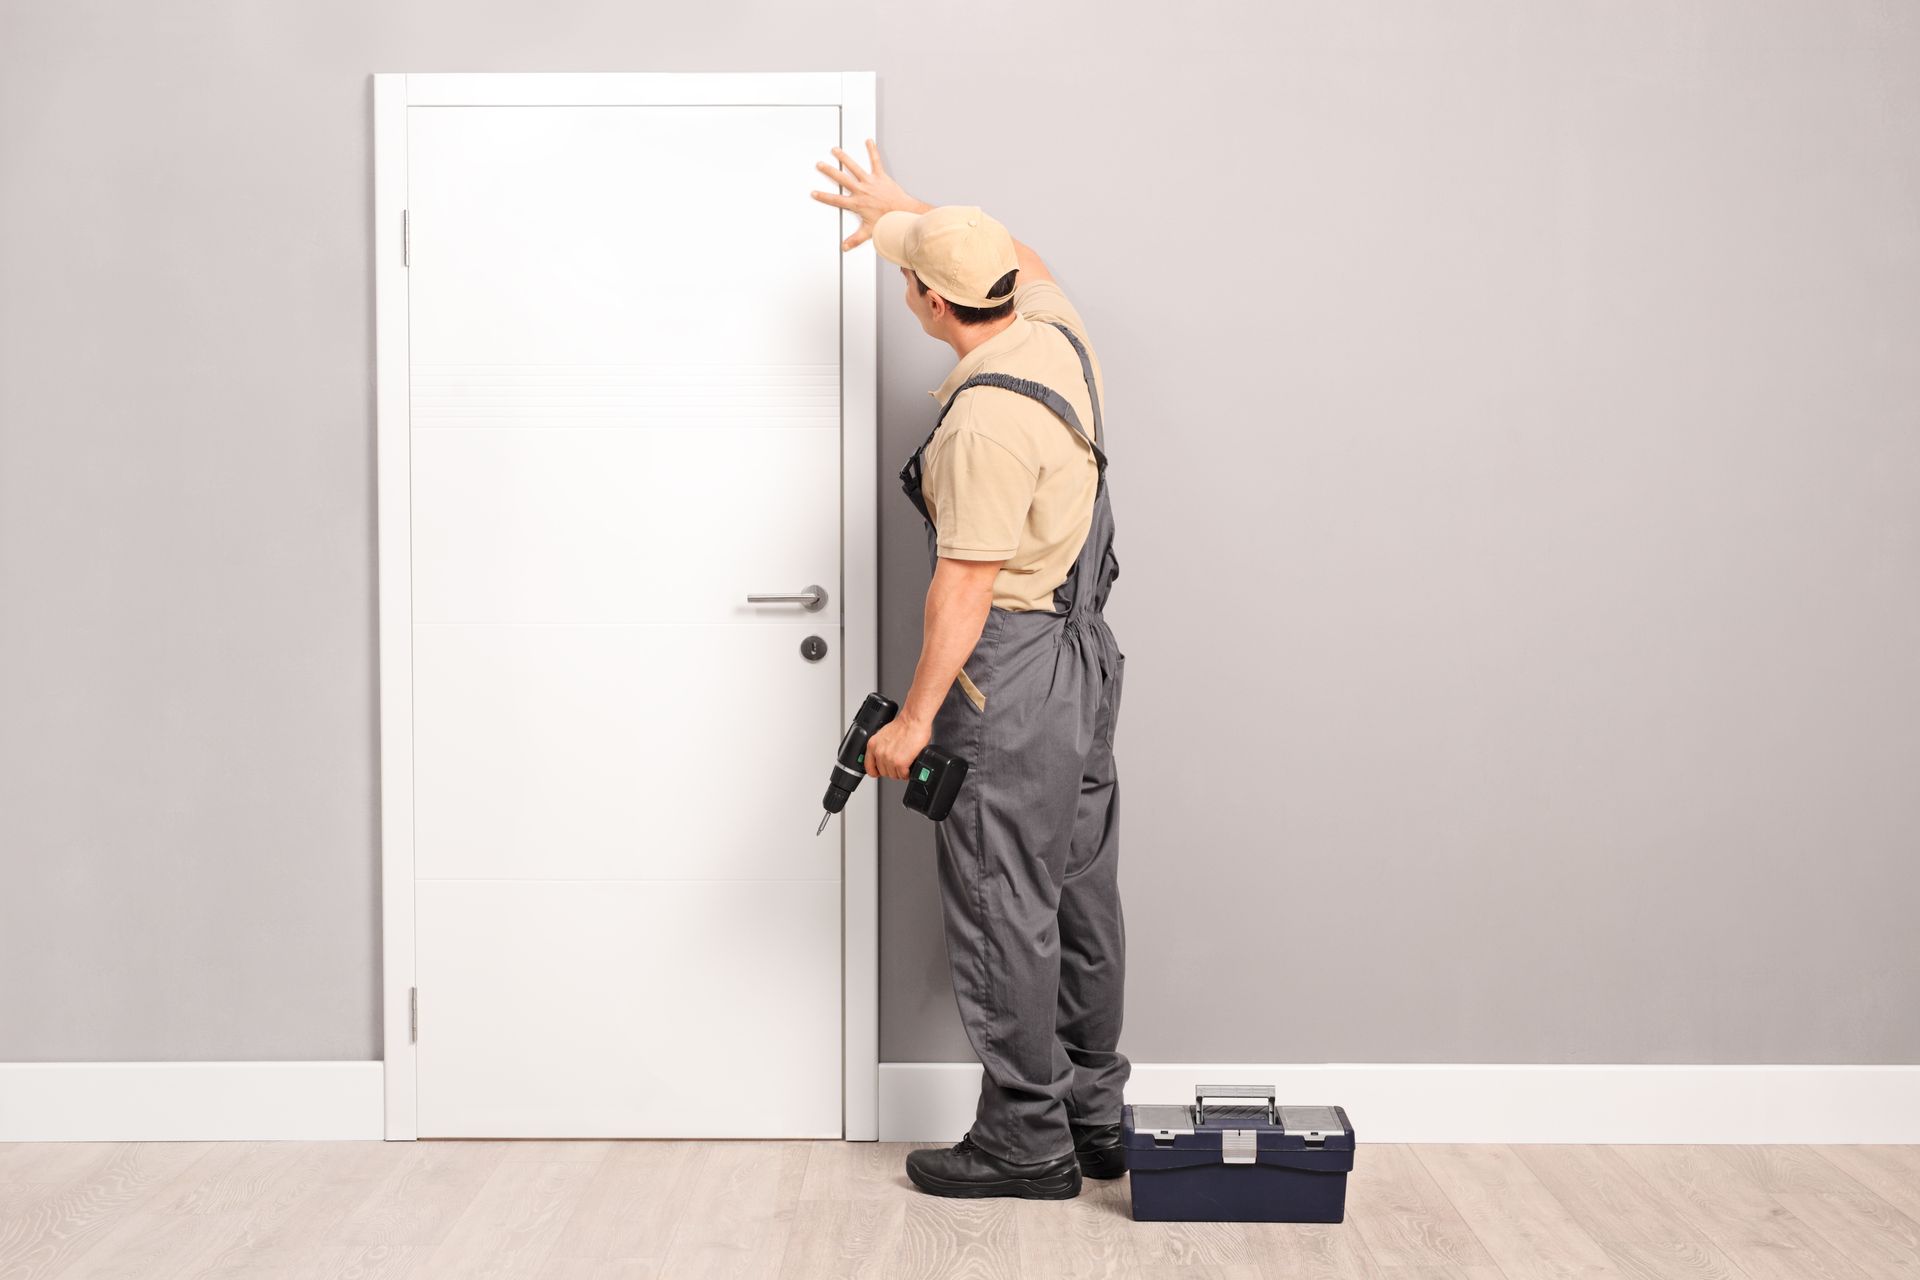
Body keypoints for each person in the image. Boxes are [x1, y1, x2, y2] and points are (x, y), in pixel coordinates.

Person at [811, 141, 1128, 1200]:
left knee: (1005, 903)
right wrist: (911, 211)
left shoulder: (981, 421)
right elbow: (1022, 251)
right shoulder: (1057, 336)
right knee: (1077, 891)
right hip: (1085, 662)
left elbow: (965, 589)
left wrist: (914, 722)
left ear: (926, 303)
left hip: (1015, 672)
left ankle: (1025, 1141)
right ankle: (1094, 1107)